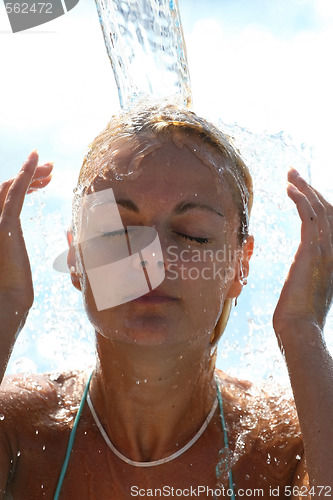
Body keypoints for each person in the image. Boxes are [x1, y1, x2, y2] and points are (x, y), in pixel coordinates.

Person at [0, 103, 332, 500]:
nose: (151, 258)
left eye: (192, 234)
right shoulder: (18, 430)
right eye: (119, 231)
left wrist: (302, 331)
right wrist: (4, 304)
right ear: (77, 260)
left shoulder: (291, 443)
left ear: (239, 266)